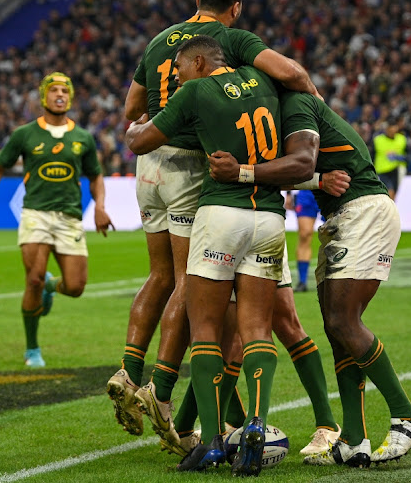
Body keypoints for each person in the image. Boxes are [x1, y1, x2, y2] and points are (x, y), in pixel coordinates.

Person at [106, 0, 321, 447]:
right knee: (194, 286)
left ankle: (128, 368)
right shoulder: (231, 39)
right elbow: (291, 72)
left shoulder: (162, 39)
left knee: (159, 275)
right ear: (236, 6)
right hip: (192, 164)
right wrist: (313, 108)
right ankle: (160, 393)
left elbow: (130, 110)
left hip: (148, 166)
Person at [209, 90, 411, 468]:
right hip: (341, 217)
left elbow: (301, 162)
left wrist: (244, 172)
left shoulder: (296, 105)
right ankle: (354, 439)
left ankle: (407, 417)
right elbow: (306, 173)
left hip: (362, 209)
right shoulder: (277, 117)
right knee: (337, 329)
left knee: (345, 321)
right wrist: (318, 182)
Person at [126, 35, 308, 476]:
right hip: (267, 216)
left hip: (221, 213)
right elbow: (297, 81)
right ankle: (257, 424)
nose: (177, 79)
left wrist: (133, 130)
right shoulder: (261, 80)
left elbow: (142, 141)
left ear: (200, 62)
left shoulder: (194, 91)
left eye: (180, 70)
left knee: (206, 328)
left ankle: (210, 442)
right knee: (256, 328)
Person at [0, 72, 114, 367]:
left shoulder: (82, 137)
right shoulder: (25, 134)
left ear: (70, 98)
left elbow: (95, 175)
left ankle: (51, 287)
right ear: (43, 96)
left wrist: (99, 206)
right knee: (32, 278)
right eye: (54, 90)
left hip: (70, 216)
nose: (60, 95)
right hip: (35, 213)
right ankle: (32, 349)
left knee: (75, 287)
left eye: (64, 91)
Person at [289, 190, 321, 292]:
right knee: (305, 234)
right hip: (307, 190)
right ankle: (302, 281)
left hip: (330, 190)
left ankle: (334, 279)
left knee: (334, 235)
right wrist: (289, 194)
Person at [371, 122, 407, 200]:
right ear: (386, 129)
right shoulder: (378, 140)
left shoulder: (402, 139)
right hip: (382, 171)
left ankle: (391, 210)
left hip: (396, 170)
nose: (392, 132)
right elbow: (372, 155)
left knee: (395, 194)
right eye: (390, 130)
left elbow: (408, 155)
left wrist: (398, 157)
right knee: (390, 192)